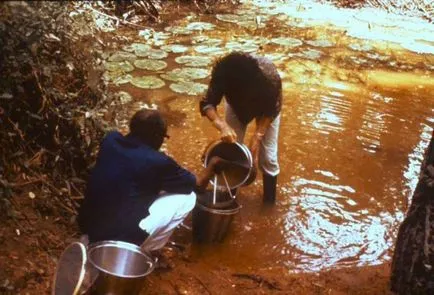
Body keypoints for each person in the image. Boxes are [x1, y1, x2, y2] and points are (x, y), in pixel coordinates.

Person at [78, 109, 225, 251]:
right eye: (163, 136)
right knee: (188, 197)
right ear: (156, 136)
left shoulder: (110, 140)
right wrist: (212, 164)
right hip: (118, 239)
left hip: (88, 226)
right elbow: (198, 185)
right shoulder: (158, 162)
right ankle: (147, 248)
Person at [199, 52, 282, 203]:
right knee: (231, 151)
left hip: (266, 112)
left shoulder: (270, 79)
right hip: (236, 108)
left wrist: (257, 136)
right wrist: (222, 125)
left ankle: (269, 203)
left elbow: (272, 109)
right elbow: (207, 104)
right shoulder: (223, 74)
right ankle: (228, 196)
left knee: (268, 157)